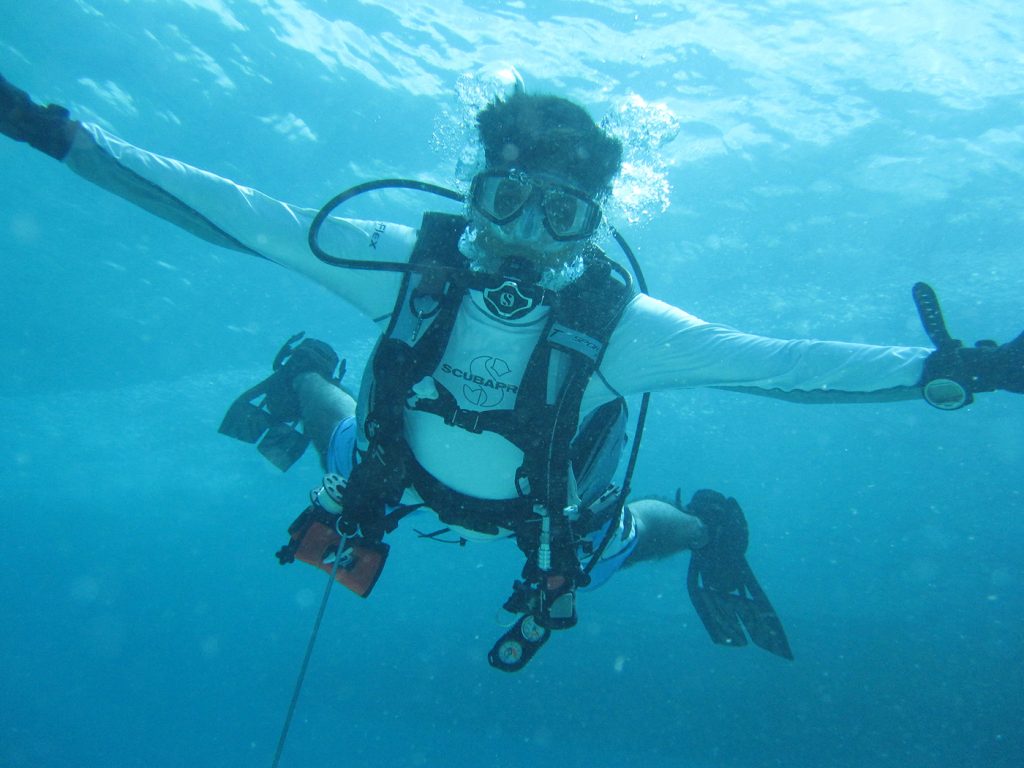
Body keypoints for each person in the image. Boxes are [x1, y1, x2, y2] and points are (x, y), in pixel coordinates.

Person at [2, 72, 1021, 671]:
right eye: (506, 201)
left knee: (625, 537)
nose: (529, 239)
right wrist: (58, 134)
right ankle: (302, 372)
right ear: (475, 194)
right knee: (340, 428)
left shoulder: (627, 326)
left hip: (551, 515)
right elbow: (244, 217)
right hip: (396, 471)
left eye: (564, 215)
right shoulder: (410, 267)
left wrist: (959, 367)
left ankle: (713, 524)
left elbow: (784, 364)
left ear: (594, 226)